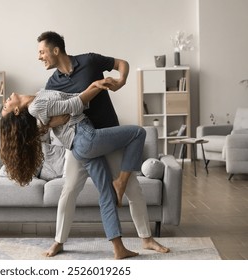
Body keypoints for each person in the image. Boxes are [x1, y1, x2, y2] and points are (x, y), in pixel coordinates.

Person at [36, 31, 170, 257]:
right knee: (68, 191)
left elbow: (121, 63)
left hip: (107, 135)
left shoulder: (88, 61)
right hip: (80, 141)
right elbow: (48, 118)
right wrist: (58, 120)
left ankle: (146, 238)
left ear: (55, 49)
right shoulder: (52, 83)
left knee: (134, 189)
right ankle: (59, 241)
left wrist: (121, 81)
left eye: (42, 52)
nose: (40, 57)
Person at [0, 78, 143, 259]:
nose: (4, 102)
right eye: (6, 107)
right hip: (86, 138)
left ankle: (119, 248)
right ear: (16, 110)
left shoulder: (38, 97)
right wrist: (95, 86)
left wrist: (52, 121)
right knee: (139, 133)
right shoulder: (35, 107)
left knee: (107, 193)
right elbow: (76, 104)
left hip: (79, 147)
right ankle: (122, 181)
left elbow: (66, 108)